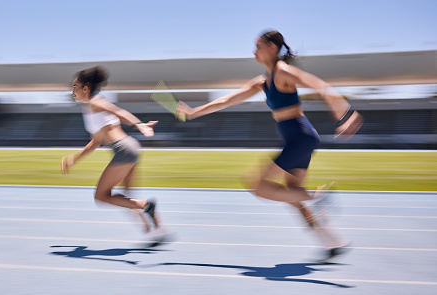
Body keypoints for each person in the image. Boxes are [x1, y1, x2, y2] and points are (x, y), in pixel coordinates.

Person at [176, 30, 363, 262]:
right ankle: (333, 242)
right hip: (298, 138)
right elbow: (227, 100)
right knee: (292, 196)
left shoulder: (283, 71)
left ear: (272, 48)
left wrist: (345, 113)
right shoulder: (263, 81)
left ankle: (319, 196)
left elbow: (319, 85)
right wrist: (193, 112)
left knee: (256, 184)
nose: (253, 51)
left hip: (300, 137)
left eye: (258, 46)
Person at [61, 66, 170, 246]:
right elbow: (96, 142)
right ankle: (158, 230)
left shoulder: (96, 102)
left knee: (101, 196)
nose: (72, 91)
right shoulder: (89, 110)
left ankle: (147, 208)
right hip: (131, 147)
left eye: (75, 87)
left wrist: (139, 125)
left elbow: (118, 111)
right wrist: (74, 159)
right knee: (126, 198)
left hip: (123, 150)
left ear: (85, 88)